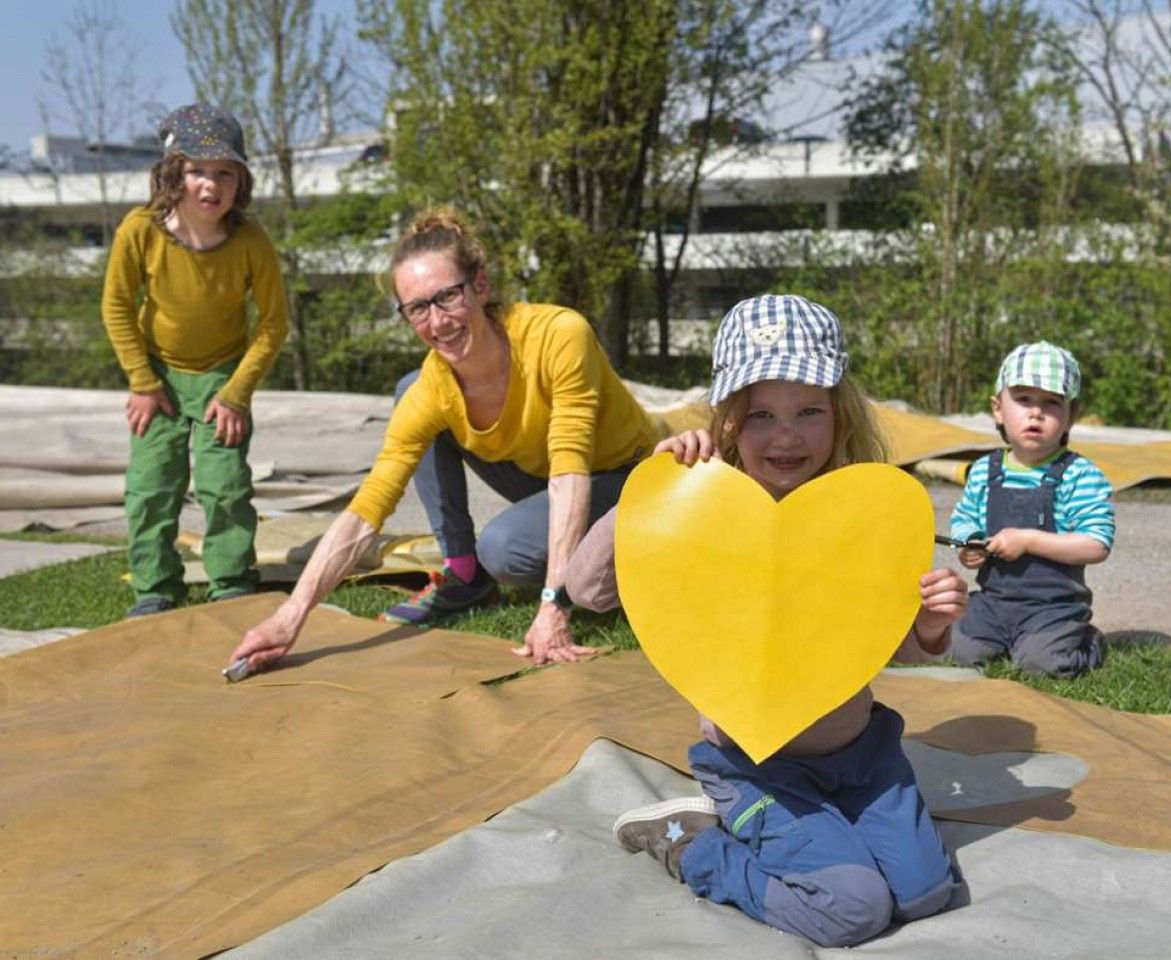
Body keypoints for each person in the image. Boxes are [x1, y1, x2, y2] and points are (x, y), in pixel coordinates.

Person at [566, 294, 966, 948]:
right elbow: (587, 590)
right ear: (727, 422)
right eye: (761, 415)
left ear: (840, 417)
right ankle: (694, 844)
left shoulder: (860, 514)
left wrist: (931, 626)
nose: (787, 435)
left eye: (809, 411)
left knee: (926, 894)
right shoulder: (699, 510)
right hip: (755, 764)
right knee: (853, 909)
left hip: (863, 758)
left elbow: (886, 644)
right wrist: (654, 483)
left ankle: (813, 831)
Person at [229, 205, 657, 669]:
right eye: (417, 309)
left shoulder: (558, 335)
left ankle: (625, 561)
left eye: (447, 297)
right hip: (541, 473)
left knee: (506, 548)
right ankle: (464, 573)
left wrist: (552, 604)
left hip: (621, 474)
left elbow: (570, 468)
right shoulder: (433, 388)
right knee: (408, 388)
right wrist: (290, 616)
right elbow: (367, 510)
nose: (438, 322)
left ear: (480, 286)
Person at [101, 103, 287, 618]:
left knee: (224, 483)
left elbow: (273, 323)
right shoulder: (140, 230)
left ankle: (230, 581)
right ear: (174, 174)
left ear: (241, 181)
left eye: (225, 172)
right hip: (156, 375)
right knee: (151, 486)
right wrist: (141, 381)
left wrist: (236, 393)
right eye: (198, 170)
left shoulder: (251, 241)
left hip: (222, 377)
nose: (211, 184)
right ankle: (156, 587)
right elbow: (117, 305)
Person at [948, 340, 1115, 677]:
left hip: (1052, 608)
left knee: (1043, 664)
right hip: (994, 601)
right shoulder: (984, 470)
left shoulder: (1078, 474)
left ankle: (1088, 641)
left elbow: (1096, 544)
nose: (1036, 412)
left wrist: (1028, 540)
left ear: (1072, 415)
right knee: (955, 651)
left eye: (1051, 403)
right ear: (998, 408)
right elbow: (963, 519)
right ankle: (1008, 639)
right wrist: (969, 546)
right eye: (1023, 400)